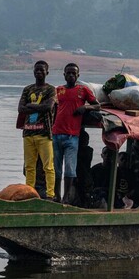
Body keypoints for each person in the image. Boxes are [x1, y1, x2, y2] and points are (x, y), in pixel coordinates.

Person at [52, 63, 100, 203]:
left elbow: (97, 105)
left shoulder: (83, 90)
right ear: (64, 75)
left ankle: (66, 197)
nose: (71, 75)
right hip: (56, 133)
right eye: (68, 73)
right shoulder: (59, 90)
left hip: (72, 136)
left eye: (74, 73)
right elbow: (53, 106)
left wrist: (85, 107)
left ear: (78, 75)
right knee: (56, 168)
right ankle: (56, 195)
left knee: (69, 168)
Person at [18, 60, 56, 200]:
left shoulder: (51, 89)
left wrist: (30, 105)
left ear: (47, 72)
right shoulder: (27, 89)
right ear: (33, 72)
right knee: (29, 167)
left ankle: (50, 195)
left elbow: (48, 107)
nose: (39, 72)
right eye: (36, 70)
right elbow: (20, 109)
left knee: (48, 167)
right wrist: (37, 106)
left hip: (44, 134)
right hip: (28, 133)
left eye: (42, 70)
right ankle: (29, 193)